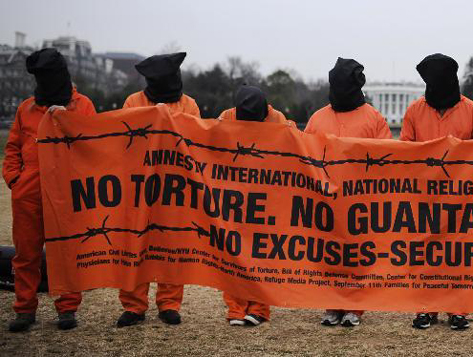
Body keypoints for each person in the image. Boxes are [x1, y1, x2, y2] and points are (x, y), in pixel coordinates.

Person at [3, 48, 96, 332]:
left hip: (68, 194)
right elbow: (13, 148)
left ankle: (67, 309)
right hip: (28, 195)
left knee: (68, 254)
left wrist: (66, 119)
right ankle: (24, 310)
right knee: (25, 255)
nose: (43, 83)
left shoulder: (83, 106)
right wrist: (15, 180)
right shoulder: (26, 108)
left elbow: (93, 146)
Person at [401, 53, 473, 331]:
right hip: (424, 195)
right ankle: (425, 308)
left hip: (461, 196)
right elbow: (404, 149)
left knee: (458, 252)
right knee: (424, 252)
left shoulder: (471, 109)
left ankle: (457, 309)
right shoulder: (415, 111)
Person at [305, 57, 391, 327]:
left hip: (359, 200)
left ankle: (355, 306)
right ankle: (332, 305)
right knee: (329, 255)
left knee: (356, 256)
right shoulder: (318, 118)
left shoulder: (373, 118)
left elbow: (386, 157)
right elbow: (305, 154)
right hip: (326, 199)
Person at [116, 52, 200, 328]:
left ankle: (169, 304)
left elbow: (196, 143)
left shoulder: (189, 105)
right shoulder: (133, 102)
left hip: (175, 188)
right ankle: (133, 306)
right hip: (139, 186)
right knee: (134, 244)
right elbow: (125, 141)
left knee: (172, 246)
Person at [218, 85, 293, 326]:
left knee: (263, 255)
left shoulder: (278, 119)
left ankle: (260, 308)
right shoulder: (226, 118)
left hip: (266, 196)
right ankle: (236, 309)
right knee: (233, 253)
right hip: (235, 196)